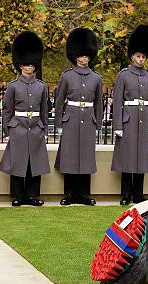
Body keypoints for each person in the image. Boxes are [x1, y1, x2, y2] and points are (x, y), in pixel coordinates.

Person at [0, 31, 50, 207]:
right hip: (18, 127)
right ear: (20, 66)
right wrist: (8, 129)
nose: (29, 67)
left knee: (34, 164)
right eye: (26, 64)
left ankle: (32, 195)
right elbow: (7, 109)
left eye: (32, 64)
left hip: (36, 127)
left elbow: (44, 110)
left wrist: (44, 128)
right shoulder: (13, 87)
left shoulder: (42, 87)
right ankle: (18, 195)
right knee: (18, 164)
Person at [54, 28, 103, 206]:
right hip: (71, 119)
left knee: (86, 157)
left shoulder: (96, 78)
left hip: (89, 120)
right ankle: (69, 193)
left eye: (86, 56)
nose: (84, 58)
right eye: (81, 55)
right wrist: (59, 123)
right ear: (75, 56)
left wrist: (98, 124)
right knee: (70, 156)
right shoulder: (66, 77)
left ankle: (84, 194)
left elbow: (99, 103)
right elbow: (59, 101)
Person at [111, 25, 148, 205]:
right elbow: (117, 101)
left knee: (141, 158)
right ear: (132, 57)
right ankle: (125, 194)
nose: (141, 59)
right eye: (138, 56)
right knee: (127, 158)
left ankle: (138, 194)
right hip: (128, 120)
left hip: (144, 120)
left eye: (143, 56)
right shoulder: (123, 76)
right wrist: (117, 125)